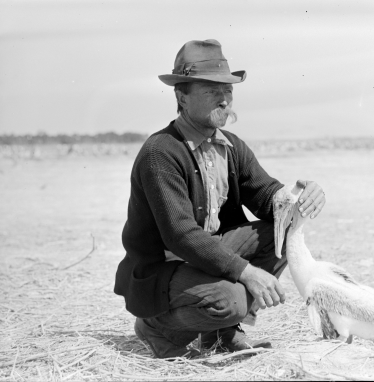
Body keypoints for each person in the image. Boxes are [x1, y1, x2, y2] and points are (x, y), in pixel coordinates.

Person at [114, 39, 326, 359]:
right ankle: (156, 328)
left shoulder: (230, 146)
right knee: (231, 302)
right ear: (182, 96)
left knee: (284, 232)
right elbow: (181, 235)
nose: (225, 99)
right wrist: (247, 272)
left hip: (207, 257)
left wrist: (299, 197)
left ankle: (222, 336)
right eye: (212, 90)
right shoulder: (161, 152)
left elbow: (266, 194)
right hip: (163, 269)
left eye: (228, 90)